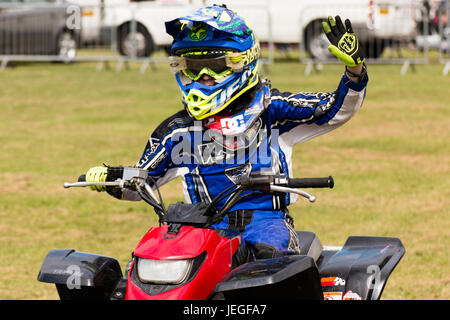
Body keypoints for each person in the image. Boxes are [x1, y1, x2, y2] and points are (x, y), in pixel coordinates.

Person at [85, 5, 368, 260]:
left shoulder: (271, 110)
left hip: (265, 222)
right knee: (152, 262)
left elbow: (333, 110)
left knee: (269, 256)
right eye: (194, 67)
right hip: (200, 227)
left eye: (215, 65)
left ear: (242, 61)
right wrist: (111, 178)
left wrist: (354, 70)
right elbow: (143, 182)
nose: (204, 75)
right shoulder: (176, 131)